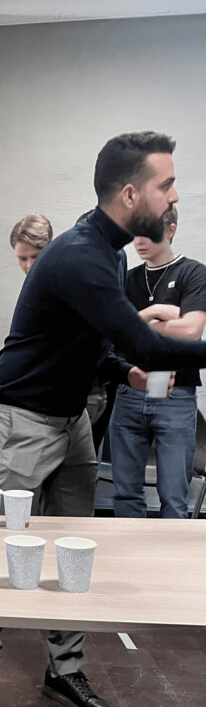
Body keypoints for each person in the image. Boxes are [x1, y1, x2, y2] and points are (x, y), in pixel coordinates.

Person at [0, 130, 206, 707]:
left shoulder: (109, 253)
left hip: (70, 422)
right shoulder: (79, 256)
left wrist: (123, 371)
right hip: (21, 422)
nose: (175, 196)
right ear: (130, 195)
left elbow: (93, 342)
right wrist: (137, 358)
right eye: (166, 185)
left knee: (72, 551)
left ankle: (63, 670)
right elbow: (146, 341)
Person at [109, 206, 206, 518]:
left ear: (170, 230)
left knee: (174, 496)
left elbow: (191, 331)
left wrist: (140, 320)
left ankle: (170, 552)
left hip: (175, 392)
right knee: (125, 493)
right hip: (130, 389)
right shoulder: (126, 279)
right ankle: (129, 550)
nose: (138, 241)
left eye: (147, 233)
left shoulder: (193, 273)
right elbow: (116, 335)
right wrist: (159, 314)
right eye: (134, 233)